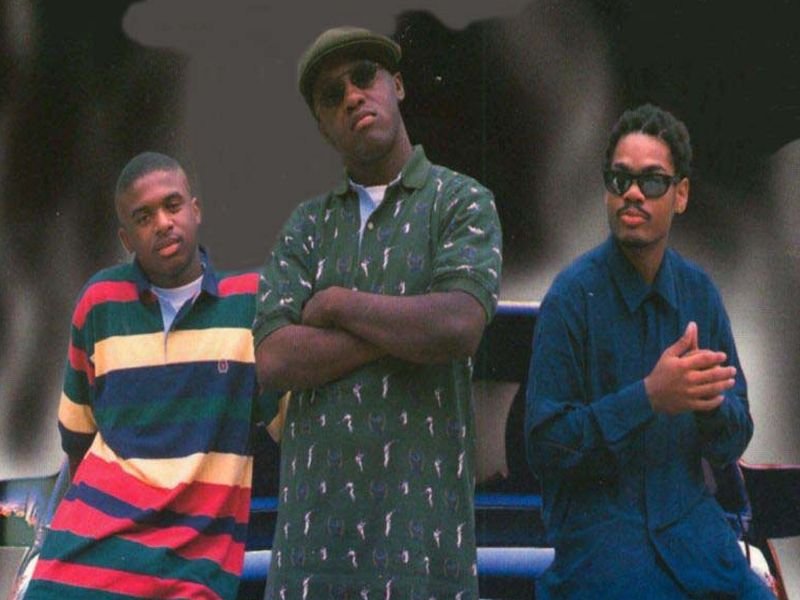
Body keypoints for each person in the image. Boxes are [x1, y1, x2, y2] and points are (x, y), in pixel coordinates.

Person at [252, 26, 502, 599]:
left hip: (423, 551)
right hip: (310, 557)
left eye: (364, 77)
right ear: (322, 124)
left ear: (398, 85)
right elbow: (274, 359)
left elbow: (459, 325)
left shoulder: (461, 202)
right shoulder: (306, 226)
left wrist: (336, 304)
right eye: (331, 94)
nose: (352, 96)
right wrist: (407, 327)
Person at [525, 104, 773, 598]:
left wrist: (708, 406)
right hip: (604, 548)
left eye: (652, 181)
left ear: (680, 195)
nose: (633, 193)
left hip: (697, 541)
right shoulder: (570, 298)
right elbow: (545, 445)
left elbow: (733, 439)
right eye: (620, 179)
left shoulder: (700, 293)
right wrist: (649, 397)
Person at [24, 152, 277, 600]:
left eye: (172, 205)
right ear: (126, 238)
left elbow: (291, 423)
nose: (163, 223)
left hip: (191, 562)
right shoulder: (100, 302)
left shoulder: (250, 304)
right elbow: (78, 441)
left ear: (195, 210)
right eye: (144, 217)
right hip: (87, 552)